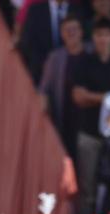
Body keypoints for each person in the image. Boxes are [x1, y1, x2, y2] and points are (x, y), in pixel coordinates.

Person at [68, 18, 110, 214]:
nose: (102, 39)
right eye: (99, 35)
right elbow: (78, 96)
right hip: (89, 133)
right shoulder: (84, 62)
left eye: (106, 35)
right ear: (93, 38)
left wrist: (93, 97)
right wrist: (107, 98)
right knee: (88, 187)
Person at [39, 15, 90, 151]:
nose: (71, 33)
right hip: (64, 118)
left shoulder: (91, 52)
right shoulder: (55, 57)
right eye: (67, 30)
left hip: (88, 121)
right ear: (61, 34)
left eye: (74, 29)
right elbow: (44, 89)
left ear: (81, 32)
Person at [20, 0, 88, 86]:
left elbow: (83, 41)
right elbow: (27, 43)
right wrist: (48, 66)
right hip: (41, 74)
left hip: (73, 76)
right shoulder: (35, 10)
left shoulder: (78, 10)